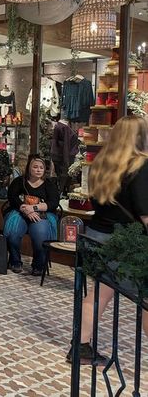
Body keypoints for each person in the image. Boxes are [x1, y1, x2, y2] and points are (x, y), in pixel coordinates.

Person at [68, 116, 148, 365]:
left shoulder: (102, 163)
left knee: (98, 294)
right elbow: (144, 213)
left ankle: (80, 346)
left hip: (96, 236)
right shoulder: (140, 165)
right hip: (125, 244)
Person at [3, 155, 59, 275]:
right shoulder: (19, 181)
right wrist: (25, 209)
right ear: (29, 168)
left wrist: (33, 208)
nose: (38, 170)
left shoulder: (49, 184)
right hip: (20, 211)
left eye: (41, 168)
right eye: (35, 167)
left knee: (40, 236)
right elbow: (12, 197)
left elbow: (54, 203)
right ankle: (15, 261)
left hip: (42, 214)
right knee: (13, 233)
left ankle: (38, 265)